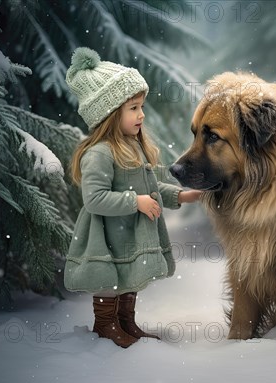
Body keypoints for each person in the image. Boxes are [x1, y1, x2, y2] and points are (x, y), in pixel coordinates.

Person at [64, 47, 201, 348]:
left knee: (128, 277)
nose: (141, 115)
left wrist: (181, 195)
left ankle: (125, 322)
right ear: (110, 114)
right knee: (111, 280)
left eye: (142, 107)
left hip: (128, 232)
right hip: (108, 234)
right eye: (133, 108)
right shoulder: (99, 153)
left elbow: (150, 188)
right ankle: (105, 325)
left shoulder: (133, 147)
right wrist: (134, 202)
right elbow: (94, 199)